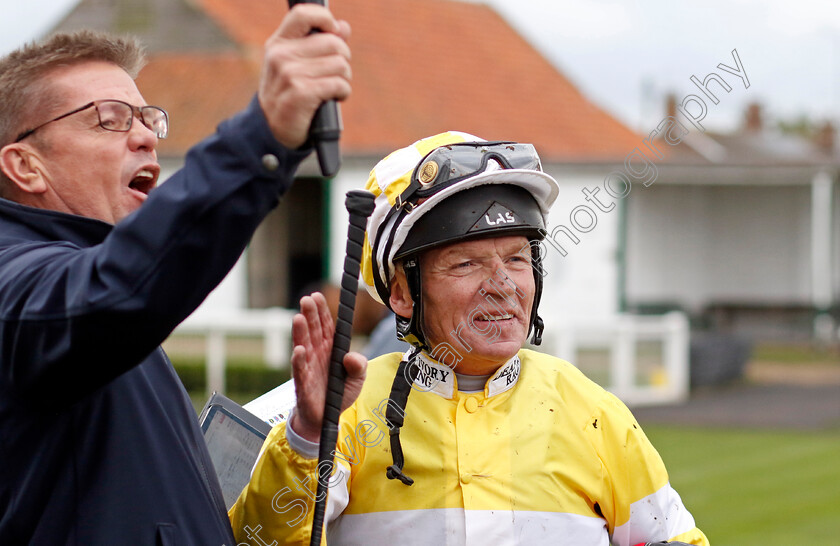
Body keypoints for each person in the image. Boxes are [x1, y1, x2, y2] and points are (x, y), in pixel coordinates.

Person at [229, 132, 710, 545]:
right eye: (467, 263)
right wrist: (309, 437)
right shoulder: (347, 415)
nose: (504, 284)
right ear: (401, 293)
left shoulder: (593, 412)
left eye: (518, 259)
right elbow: (260, 539)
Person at [0, 5, 351, 545]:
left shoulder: (98, 299)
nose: (145, 138)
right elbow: (115, 292)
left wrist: (304, 434)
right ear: (25, 165)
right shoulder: (17, 285)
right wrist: (264, 133)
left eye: (147, 119)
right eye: (110, 119)